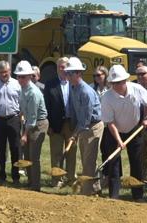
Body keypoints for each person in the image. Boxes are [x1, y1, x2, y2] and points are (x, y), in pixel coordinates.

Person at [101, 65, 147, 201]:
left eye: (121, 82)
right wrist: (119, 140)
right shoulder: (107, 98)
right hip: (114, 132)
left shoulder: (137, 89)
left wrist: (145, 118)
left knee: (137, 163)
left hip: (134, 129)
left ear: (125, 80)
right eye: (115, 83)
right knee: (114, 163)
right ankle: (114, 195)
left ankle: (138, 195)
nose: (118, 85)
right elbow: (110, 123)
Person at [65, 57, 104, 196]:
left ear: (78, 74)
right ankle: (95, 188)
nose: (67, 76)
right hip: (84, 127)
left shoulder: (86, 92)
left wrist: (75, 134)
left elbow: (86, 119)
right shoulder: (73, 87)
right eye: (67, 73)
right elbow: (77, 112)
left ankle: (87, 192)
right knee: (87, 158)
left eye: (70, 73)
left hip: (92, 126)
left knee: (89, 160)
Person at [15, 60, 49, 192]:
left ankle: (36, 185)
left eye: (23, 76)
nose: (20, 79)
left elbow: (33, 118)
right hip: (29, 122)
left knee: (34, 156)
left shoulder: (33, 93)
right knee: (27, 154)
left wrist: (24, 134)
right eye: (18, 76)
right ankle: (30, 182)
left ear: (30, 76)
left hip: (38, 124)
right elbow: (25, 109)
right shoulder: (23, 89)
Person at [43, 57, 77, 187]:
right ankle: (57, 180)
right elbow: (46, 106)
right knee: (56, 153)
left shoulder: (74, 83)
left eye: (65, 67)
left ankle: (71, 179)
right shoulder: (50, 84)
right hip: (55, 124)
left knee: (71, 152)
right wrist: (49, 125)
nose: (63, 69)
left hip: (71, 124)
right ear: (57, 68)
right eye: (60, 67)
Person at [90, 65, 111, 188]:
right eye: (94, 75)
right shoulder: (92, 88)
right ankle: (103, 175)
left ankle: (109, 176)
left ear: (105, 75)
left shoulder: (110, 89)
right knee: (100, 150)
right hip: (97, 123)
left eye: (99, 75)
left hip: (108, 124)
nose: (96, 77)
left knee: (107, 150)